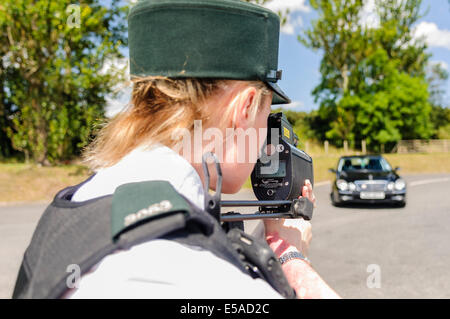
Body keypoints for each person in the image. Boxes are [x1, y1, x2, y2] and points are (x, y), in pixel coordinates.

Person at [13, 0, 339, 299]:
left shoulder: (80, 203)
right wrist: (292, 258)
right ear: (247, 106)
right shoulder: (192, 273)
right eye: (268, 116)